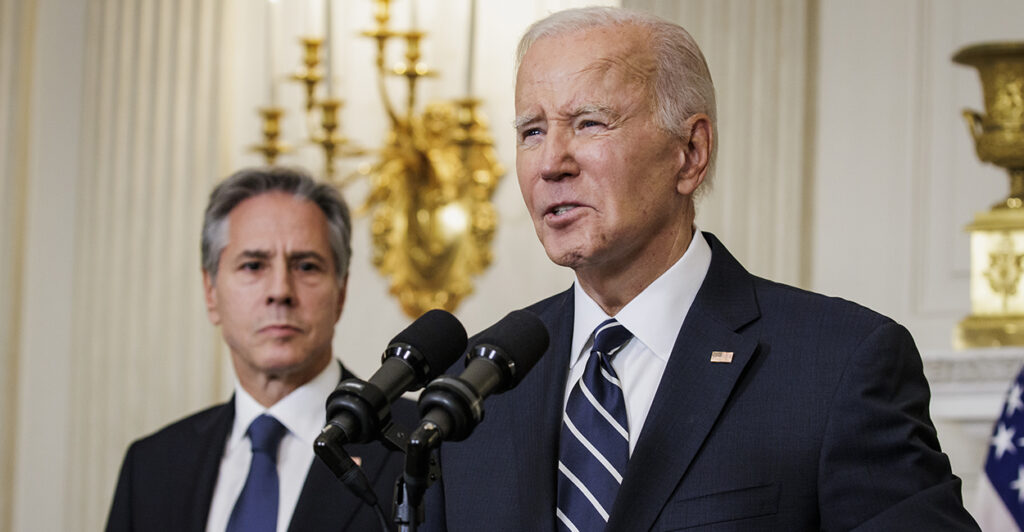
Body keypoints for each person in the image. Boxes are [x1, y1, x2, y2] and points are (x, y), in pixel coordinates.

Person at [422, 7, 979, 531]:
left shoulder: (838, 366)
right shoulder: (474, 387)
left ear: (690, 152)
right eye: (532, 132)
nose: (551, 163)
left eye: (589, 123)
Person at [106, 167, 413, 531]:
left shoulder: (419, 444)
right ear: (210, 292)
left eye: (306, 266)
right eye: (253, 265)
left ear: (341, 292)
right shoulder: (151, 467)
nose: (280, 291)